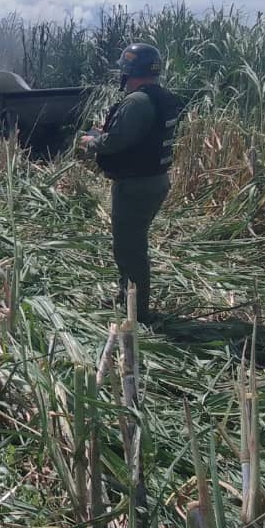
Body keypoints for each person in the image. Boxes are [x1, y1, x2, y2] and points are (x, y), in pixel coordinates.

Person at [80, 43, 181, 325]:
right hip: (153, 181)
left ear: (127, 71)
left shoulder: (136, 101)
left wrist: (91, 142)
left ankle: (137, 313)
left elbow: (114, 143)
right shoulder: (158, 98)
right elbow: (138, 134)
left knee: (130, 249)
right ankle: (127, 297)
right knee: (129, 244)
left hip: (136, 186)